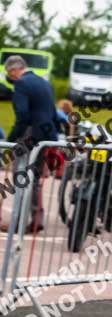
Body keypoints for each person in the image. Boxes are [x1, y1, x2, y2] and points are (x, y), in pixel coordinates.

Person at [1, 55, 58, 234]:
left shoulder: (22, 84)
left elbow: (22, 116)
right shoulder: (44, 82)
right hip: (47, 135)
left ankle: (17, 222)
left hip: (29, 135)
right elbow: (54, 114)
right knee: (33, 180)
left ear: (13, 70)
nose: (9, 78)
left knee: (22, 179)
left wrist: (10, 140)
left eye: (8, 74)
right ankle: (36, 219)